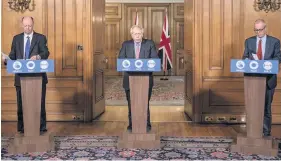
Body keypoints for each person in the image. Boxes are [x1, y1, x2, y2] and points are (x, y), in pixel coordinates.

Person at [2, 16, 50, 133]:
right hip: (20, 77)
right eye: (25, 26)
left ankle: (41, 127)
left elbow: (46, 52)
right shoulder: (16, 39)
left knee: (39, 104)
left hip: (38, 77)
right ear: (22, 25)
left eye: (29, 26)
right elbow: (12, 55)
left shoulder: (41, 38)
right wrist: (6, 59)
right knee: (21, 103)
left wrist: (38, 57)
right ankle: (22, 128)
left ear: (33, 25)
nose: (27, 28)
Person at [242, 19, 281, 136]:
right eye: (256, 30)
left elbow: (278, 58)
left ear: (265, 28)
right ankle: (252, 132)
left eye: (260, 30)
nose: (257, 32)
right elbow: (245, 57)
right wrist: (247, 60)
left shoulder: (275, 42)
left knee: (266, 107)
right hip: (252, 80)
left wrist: (264, 64)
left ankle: (266, 133)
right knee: (253, 107)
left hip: (268, 79)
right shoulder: (249, 41)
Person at [118, 25, 159, 131]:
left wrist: (143, 66)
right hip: (129, 79)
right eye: (135, 34)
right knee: (131, 102)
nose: (137, 36)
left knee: (144, 102)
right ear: (131, 34)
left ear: (142, 33)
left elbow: (154, 59)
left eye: (139, 33)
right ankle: (132, 124)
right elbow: (121, 60)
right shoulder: (126, 44)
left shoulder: (149, 44)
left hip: (146, 78)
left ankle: (146, 124)